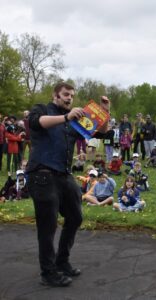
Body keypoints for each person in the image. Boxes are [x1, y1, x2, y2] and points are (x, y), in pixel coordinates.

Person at [26, 82, 110, 287]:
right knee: (48, 226)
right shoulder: (43, 110)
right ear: (56, 95)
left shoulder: (74, 120)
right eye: (65, 94)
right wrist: (66, 116)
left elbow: (102, 132)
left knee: (75, 217)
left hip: (64, 175)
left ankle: (61, 262)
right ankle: (48, 273)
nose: (69, 98)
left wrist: (104, 112)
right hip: (42, 175)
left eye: (72, 95)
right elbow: (36, 123)